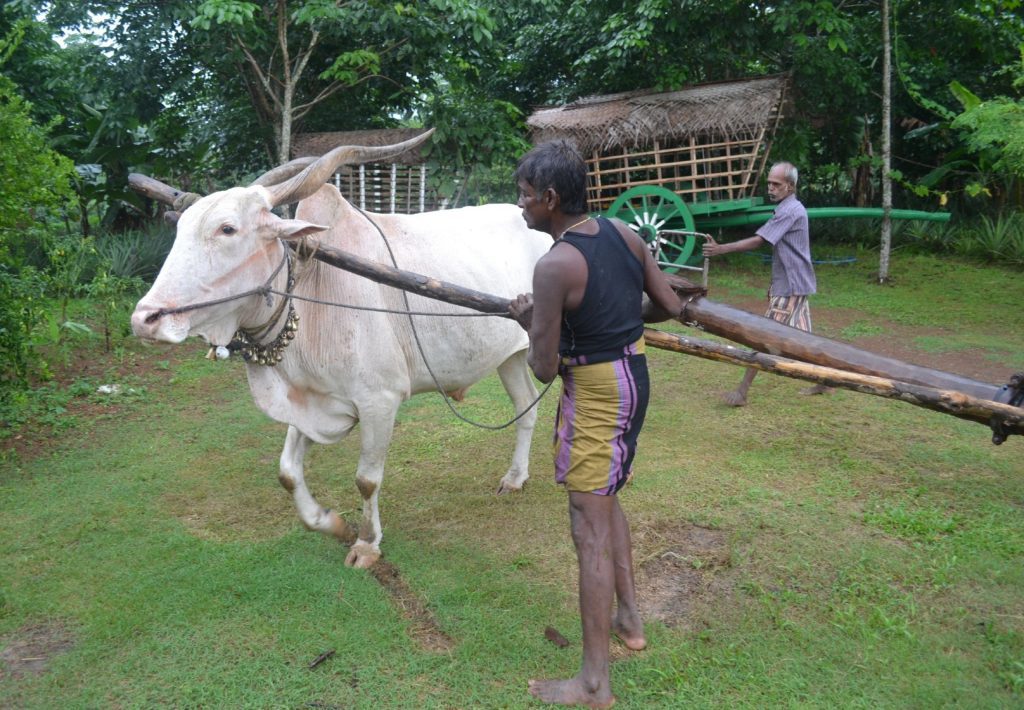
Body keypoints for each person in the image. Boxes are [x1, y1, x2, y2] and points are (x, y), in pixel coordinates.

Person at [507, 139, 682, 708]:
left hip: (599, 392)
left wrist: (534, 320)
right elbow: (670, 306)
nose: (521, 205)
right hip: (635, 378)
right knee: (606, 502)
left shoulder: (554, 266)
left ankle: (592, 683)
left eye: (526, 195)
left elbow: (542, 369)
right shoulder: (625, 235)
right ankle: (630, 619)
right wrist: (614, 309)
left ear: (552, 198)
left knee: (589, 529)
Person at [701, 161, 831, 406]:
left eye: (776, 184)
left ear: (790, 187)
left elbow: (758, 241)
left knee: (763, 337)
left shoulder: (789, 211)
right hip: (795, 283)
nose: (770, 188)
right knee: (806, 338)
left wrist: (720, 249)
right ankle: (825, 381)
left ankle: (741, 393)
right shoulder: (789, 207)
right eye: (769, 183)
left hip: (791, 286)